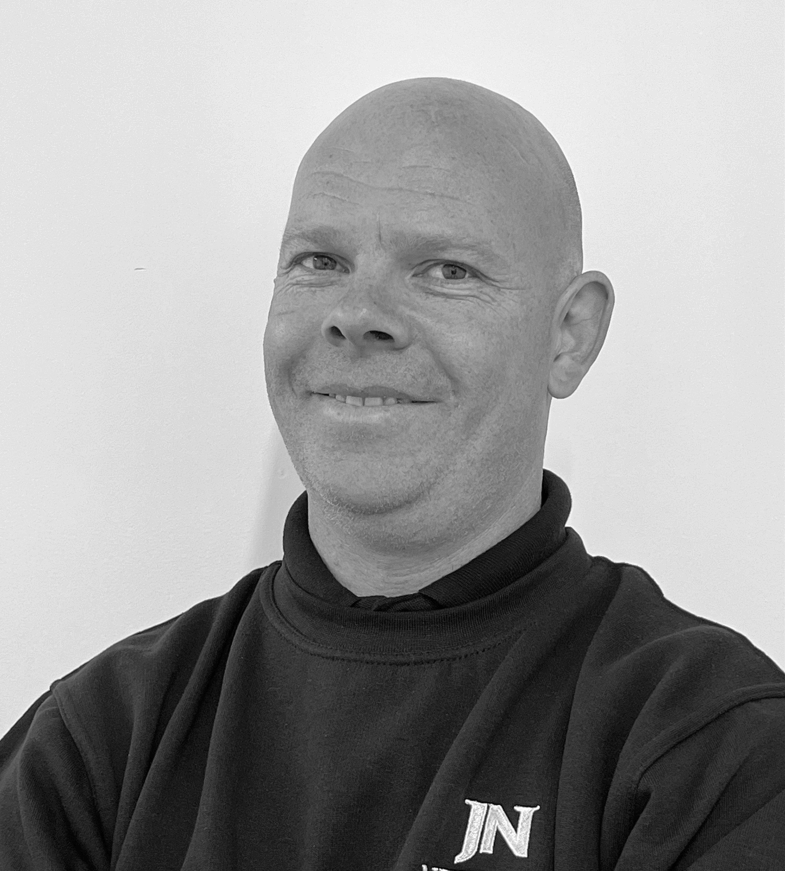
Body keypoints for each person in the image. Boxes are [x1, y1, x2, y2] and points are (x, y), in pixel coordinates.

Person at [1, 77, 783, 870]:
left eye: (445, 270)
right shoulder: (96, 745)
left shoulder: (713, 747)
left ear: (569, 334)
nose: (357, 313)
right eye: (320, 261)